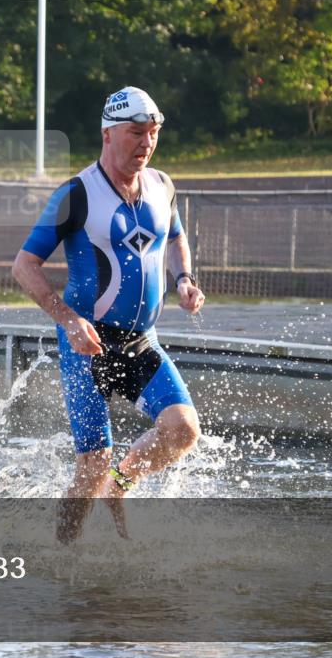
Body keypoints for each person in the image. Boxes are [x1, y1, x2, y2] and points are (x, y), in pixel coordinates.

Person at [12, 87, 206, 542]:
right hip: (88, 346)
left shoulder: (162, 185)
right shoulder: (76, 194)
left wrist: (184, 278)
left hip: (141, 341)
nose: (146, 143)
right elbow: (24, 266)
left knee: (182, 431)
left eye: (153, 133)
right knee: (92, 466)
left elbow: (175, 237)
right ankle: (62, 552)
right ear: (108, 134)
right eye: (136, 133)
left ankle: (119, 486)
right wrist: (68, 320)